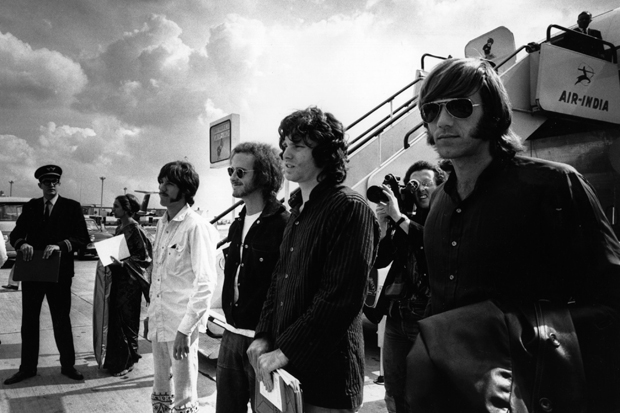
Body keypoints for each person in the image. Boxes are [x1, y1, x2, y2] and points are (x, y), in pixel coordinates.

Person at [406, 58, 620, 412]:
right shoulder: (439, 204)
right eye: (431, 110)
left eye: (460, 107)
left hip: (533, 396)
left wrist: (509, 333)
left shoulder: (553, 185)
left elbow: (610, 303)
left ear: (492, 112)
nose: (442, 121)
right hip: (455, 398)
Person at [247, 107, 380, 412]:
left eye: (298, 146)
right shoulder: (297, 211)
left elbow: (341, 298)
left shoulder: (349, 207)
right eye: (285, 145)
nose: (286, 154)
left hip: (327, 381)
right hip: (285, 373)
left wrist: (286, 351)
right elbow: (278, 281)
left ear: (325, 153)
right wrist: (264, 335)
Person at [216, 142, 289, 413]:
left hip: (265, 343)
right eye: (230, 171)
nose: (233, 177)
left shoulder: (284, 225)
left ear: (263, 175)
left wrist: (270, 336)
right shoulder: (237, 224)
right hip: (231, 336)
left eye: (241, 172)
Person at [366, 161, 445, 413]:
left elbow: (429, 244)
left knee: (426, 392)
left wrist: (399, 218)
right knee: (394, 389)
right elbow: (380, 261)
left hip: (427, 320)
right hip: (396, 319)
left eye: (427, 184)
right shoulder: (403, 220)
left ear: (440, 186)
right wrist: (383, 227)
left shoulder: (444, 217)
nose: (421, 189)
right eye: (415, 185)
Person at [4, 165, 89, 385]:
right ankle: (27, 368)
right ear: (39, 184)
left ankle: (68, 366)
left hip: (59, 273)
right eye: (46, 181)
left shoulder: (71, 207)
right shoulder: (32, 206)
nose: (51, 184)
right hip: (33, 271)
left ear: (59, 183)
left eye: (54, 181)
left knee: (61, 321)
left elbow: (82, 238)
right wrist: (21, 244)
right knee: (29, 321)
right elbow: (16, 234)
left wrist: (61, 245)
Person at [149, 160, 217, 413]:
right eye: (161, 182)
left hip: (181, 324)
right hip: (159, 319)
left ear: (185, 190)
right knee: (160, 387)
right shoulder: (162, 224)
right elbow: (159, 274)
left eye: (169, 184)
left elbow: (205, 283)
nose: (161, 188)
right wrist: (150, 314)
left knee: (184, 395)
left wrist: (185, 330)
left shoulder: (196, 226)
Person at [103, 194, 152, 376]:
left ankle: (127, 361)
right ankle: (115, 361)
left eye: (116, 206)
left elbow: (145, 259)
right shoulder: (119, 228)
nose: (113, 209)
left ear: (126, 209)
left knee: (127, 322)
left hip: (130, 285)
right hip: (118, 281)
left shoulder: (135, 229)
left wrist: (123, 264)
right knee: (116, 321)